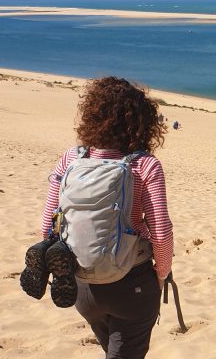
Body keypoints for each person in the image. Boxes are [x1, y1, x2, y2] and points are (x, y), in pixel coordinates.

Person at [37, 77, 174, 358]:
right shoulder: (145, 165)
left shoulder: (70, 160)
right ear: (142, 122)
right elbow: (161, 233)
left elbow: (47, 225)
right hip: (132, 283)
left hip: (83, 285)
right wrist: (160, 277)